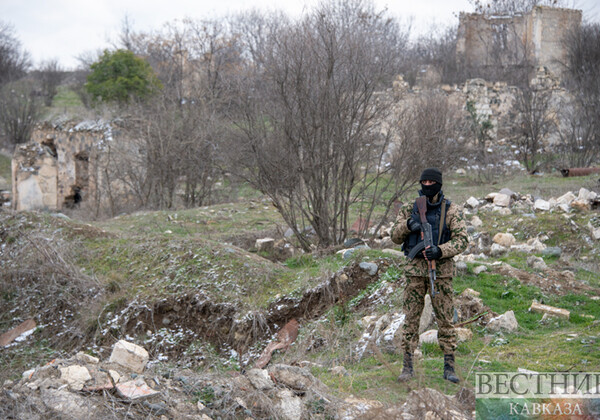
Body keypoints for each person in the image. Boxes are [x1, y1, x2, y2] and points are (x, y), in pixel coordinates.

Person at [391, 168, 468, 383]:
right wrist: (408, 225)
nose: (427, 185)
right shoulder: (409, 208)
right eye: (423, 181)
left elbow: (462, 240)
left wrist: (441, 251)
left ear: (439, 184)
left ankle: (449, 367)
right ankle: (407, 367)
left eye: (431, 182)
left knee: (445, 319)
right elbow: (394, 237)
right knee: (411, 319)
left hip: (441, 273)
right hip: (415, 272)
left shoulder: (451, 210)